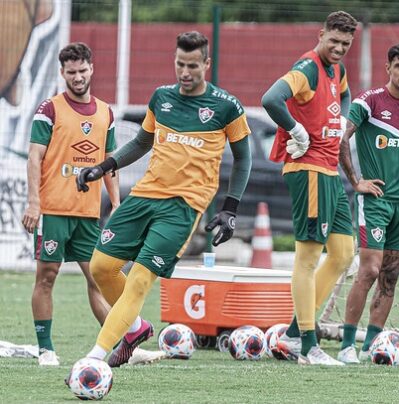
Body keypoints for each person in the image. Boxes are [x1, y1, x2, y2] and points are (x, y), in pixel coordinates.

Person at [73, 31, 252, 368]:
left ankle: (94, 359)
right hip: (144, 195)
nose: (185, 72)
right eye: (180, 64)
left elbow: (243, 158)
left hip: (184, 206)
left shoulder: (227, 106)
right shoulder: (161, 98)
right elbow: (142, 142)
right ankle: (136, 328)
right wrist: (105, 166)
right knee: (101, 267)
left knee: (140, 279)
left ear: (206, 65)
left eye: (193, 66)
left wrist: (231, 208)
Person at [262, 11, 358, 366]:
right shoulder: (306, 68)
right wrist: (296, 130)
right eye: (333, 41)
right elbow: (271, 98)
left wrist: (343, 118)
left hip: (329, 171)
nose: (338, 48)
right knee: (307, 258)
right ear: (321, 35)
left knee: (344, 253)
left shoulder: (339, 70)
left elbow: (344, 95)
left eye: (346, 44)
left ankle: (291, 333)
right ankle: (307, 345)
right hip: (309, 169)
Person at [21, 42, 119, 366]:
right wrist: (33, 203)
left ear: (92, 68)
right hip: (53, 210)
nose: (77, 77)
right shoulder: (48, 110)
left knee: (98, 278)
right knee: (47, 276)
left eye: (82, 70)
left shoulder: (106, 112)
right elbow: (34, 158)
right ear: (63, 73)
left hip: (88, 214)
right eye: (71, 72)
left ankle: (120, 345)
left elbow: (110, 162)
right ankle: (46, 349)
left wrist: (116, 203)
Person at [337, 43, 399, 363]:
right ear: (387, 67)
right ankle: (347, 345)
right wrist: (355, 181)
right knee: (370, 271)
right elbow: (341, 139)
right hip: (374, 201)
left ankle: (372, 346)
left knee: (390, 276)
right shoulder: (369, 102)